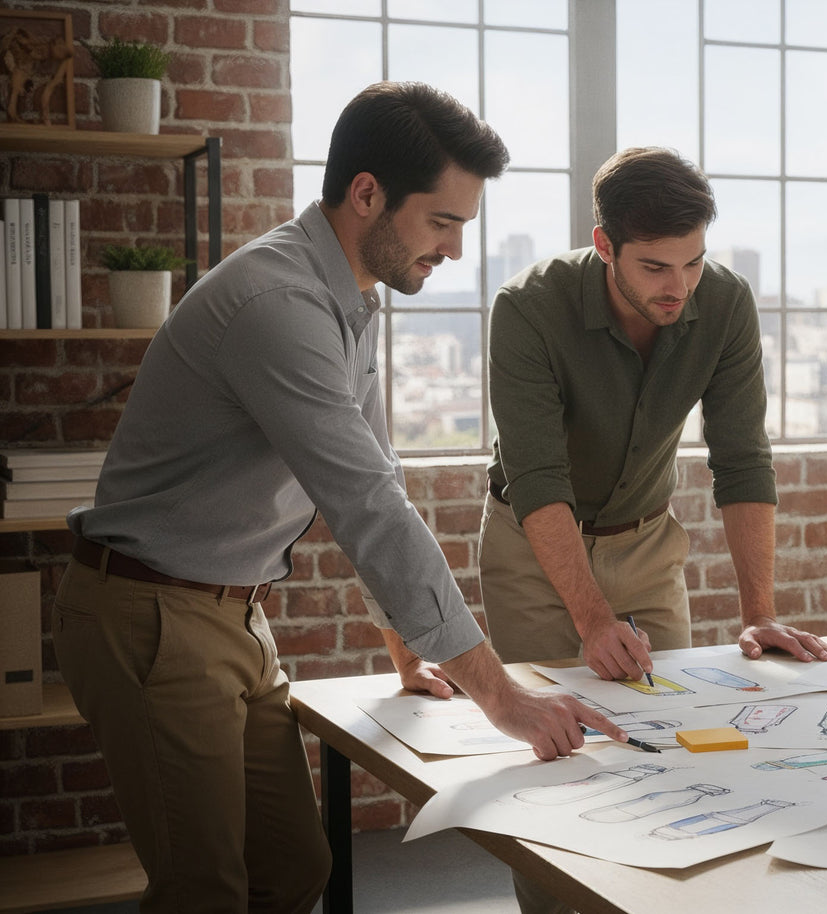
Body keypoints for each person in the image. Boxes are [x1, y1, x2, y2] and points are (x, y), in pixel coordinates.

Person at [53, 82, 627, 914]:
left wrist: (408, 650)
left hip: (234, 614)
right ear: (366, 194)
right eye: (442, 222)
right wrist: (501, 697)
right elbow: (369, 509)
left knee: (295, 868)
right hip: (153, 616)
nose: (455, 250)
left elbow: (376, 477)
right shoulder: (278, 304)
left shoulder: (350, 299)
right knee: (203, 893)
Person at [480, 146, 827, 678]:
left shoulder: (726, 302)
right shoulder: (527, 308)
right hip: (533, 549)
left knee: (675, 713)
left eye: (693, 262)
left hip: (648, 549)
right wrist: (594, 620)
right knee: (552, 715)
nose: (679, 288)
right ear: (605, 245)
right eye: (654, 267)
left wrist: (759, 615)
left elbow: (742, 459)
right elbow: (538, 478)